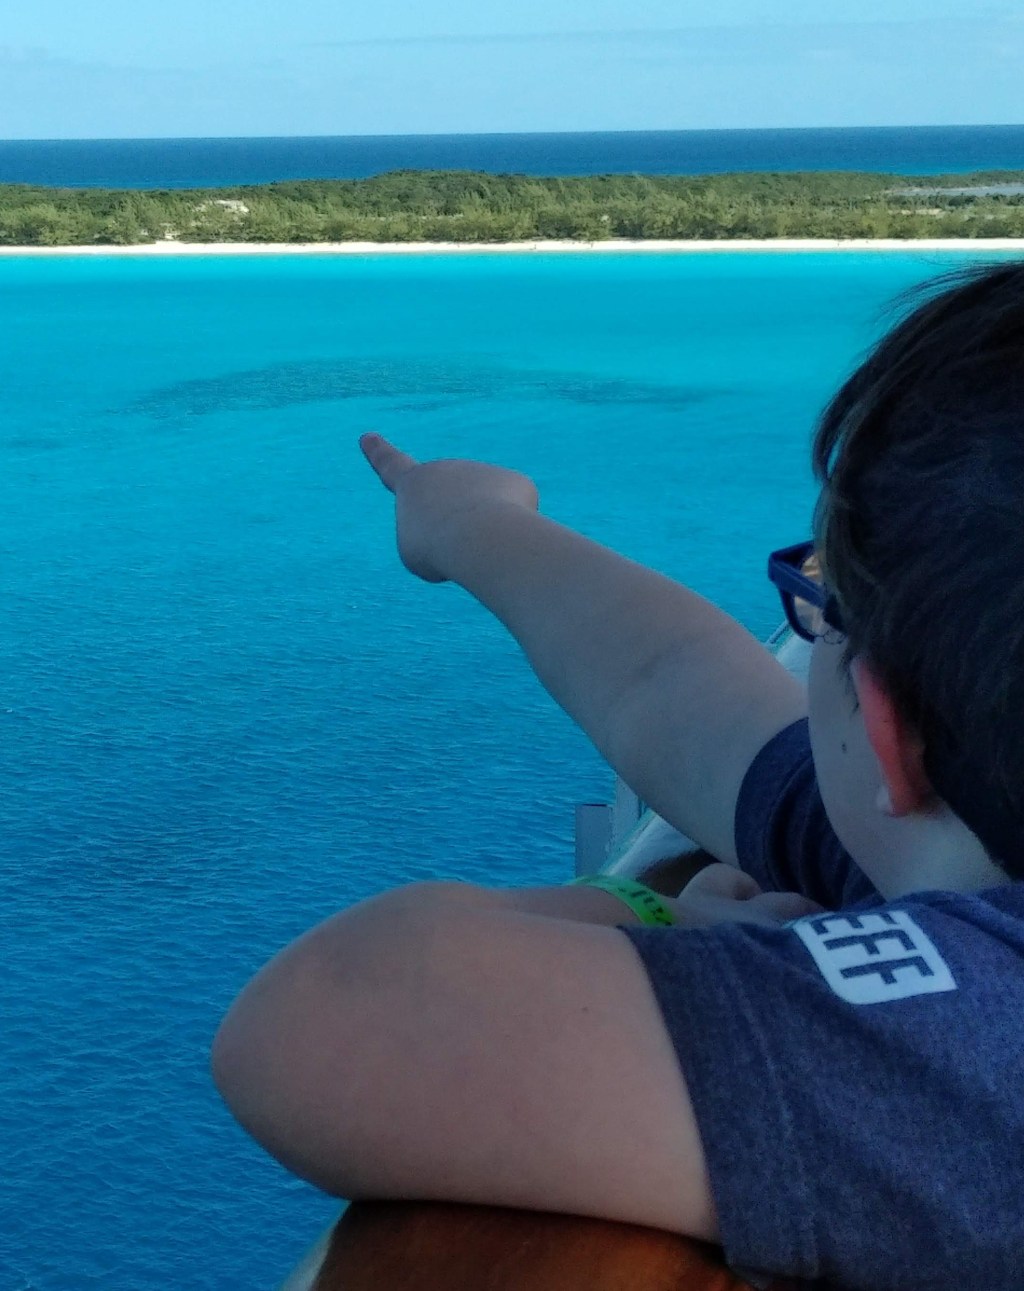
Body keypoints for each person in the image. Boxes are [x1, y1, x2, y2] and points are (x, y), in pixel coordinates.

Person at [211, 262, 1024, 1290]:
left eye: (820, 599)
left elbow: (337, 1014)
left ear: (885, 729)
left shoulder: (965, 1047)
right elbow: (681, 692)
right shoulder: (942, 840)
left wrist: (663, 925)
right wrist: (476, 529)